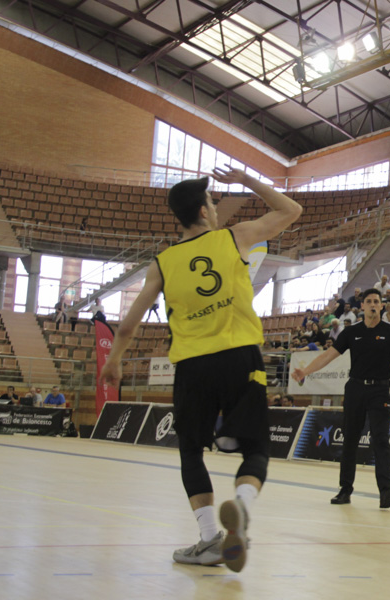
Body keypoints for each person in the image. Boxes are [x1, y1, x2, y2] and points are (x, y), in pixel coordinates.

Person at [100, 167, 302, 572]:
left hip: (192, 365)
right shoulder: (235, 237)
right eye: (212, 201)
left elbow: (128, 323)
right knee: (258, 448)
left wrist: (115, 359)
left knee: (191, 451)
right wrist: (247, 179)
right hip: (240, 357)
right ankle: (242, 508)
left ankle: (210, 536)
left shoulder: (163, 262)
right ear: (206, 210)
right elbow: (291, 209)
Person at [292, 288, 390, 509]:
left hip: (379, 391)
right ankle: (345, 490)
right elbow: (328, 355)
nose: (373, 304)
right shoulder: (351, 332)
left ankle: (386, 491)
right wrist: (306, 371)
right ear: (362, 306)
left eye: (376, 301)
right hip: (355, 389)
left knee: (380, 440)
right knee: (350, 440)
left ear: (381, 306)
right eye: (369, 301)